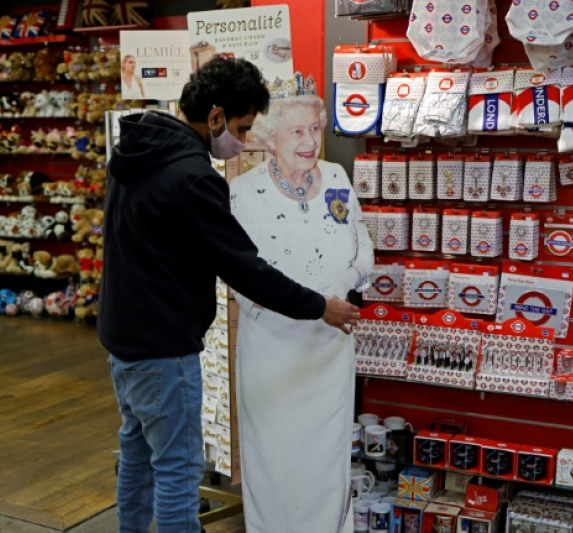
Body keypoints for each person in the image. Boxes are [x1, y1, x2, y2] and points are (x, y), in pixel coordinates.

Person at [98, 58, 360, 533]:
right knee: (178, 469)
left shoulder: (137, 152)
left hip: (123, 338)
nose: (240, 142)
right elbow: (244, 268)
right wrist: (320, 306)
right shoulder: (194, 177)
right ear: (215, 116)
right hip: (165, 346)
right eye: (239, 128)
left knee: (137, 454)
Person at [229, 75, 374, 533]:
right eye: (297, 131)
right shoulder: (243, 193)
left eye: (315, 129)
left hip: (329, 348)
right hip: (273, 350)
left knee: (327, 457)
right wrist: (314, 302)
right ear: (270, 138)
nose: (310, 141)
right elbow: (241, 277)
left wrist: (344, 285)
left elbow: (363, 249)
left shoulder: (335, 177)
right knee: (274, 458)